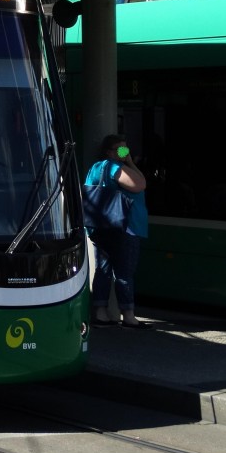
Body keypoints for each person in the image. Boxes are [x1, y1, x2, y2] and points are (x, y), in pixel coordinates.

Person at [86, 134, 151, 329]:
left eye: (127, 149)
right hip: (123, 227)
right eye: (121, 150)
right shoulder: (115, 167)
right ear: (109, 152)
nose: (125, 153)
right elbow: (140, 184)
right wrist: (130, 162)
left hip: (100, 226)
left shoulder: (95, 168)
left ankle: (100, 312)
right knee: (125, 272)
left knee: (103, 270)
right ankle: (128, 315)